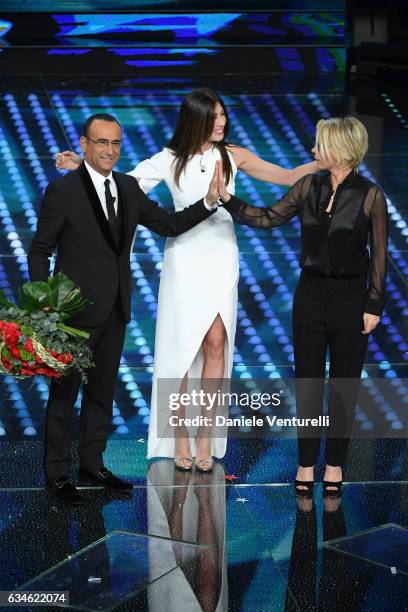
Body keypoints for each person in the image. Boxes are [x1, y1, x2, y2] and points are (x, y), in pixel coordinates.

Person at [56, 88, 318, 473]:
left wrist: (324, 162)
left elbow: (286, 177)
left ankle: (204, 436)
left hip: (222, 255)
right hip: (184, 256)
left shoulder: (233, 155)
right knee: (182, 349)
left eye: (223, 115)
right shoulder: (169, 160)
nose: (221, 122)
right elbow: (121, 184)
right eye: (214, 116)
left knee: (216, 342)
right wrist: (83, 165)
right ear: (195, 119)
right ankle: (180, 436)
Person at [28, 112, 220, 505]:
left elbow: (167, 223)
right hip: (71, 315)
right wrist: (45, 306)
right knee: (63, 396)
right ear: (84, 144)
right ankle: (57, 473)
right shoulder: (62, 192)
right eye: (101, 143)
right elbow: (40, 250)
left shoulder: (129, 188)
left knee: (102, 392)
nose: (109, 151)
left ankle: (92, 463)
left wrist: (208, 202)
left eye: (115, 144)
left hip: (115, 310)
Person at [218, 116, 388, 497]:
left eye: (319, 144)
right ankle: (306, 463)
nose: (312, 151)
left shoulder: (370, 195)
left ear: (341, 148)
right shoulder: (308, 186)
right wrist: (228, 200)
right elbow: (266, 218)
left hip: (350, 300)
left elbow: (379, 254)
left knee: (344, 386)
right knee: (309, 385)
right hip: (309, 296)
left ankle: (334, 466)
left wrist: (374, 303)